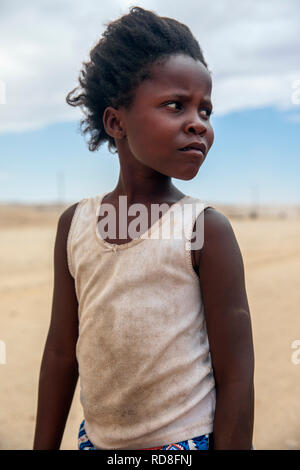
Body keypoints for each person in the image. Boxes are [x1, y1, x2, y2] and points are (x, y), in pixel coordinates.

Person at [33, 6, 254, 450]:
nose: (198, 123)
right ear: (116, 122)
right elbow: (61, 351)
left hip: (183, 445)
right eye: (176, 105)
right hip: (96, 442)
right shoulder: (75, 225)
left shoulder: (205, 229)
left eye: (205, 111)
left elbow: (237, 375)